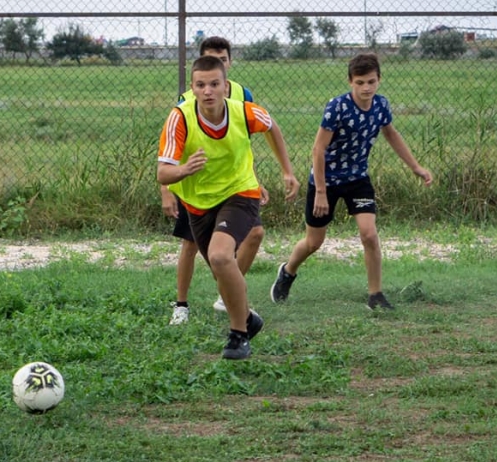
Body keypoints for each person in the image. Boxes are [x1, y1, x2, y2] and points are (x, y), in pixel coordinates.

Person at [157, 55, 300, 359]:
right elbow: (163, 173)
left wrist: (287, 170)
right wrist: (184, 170)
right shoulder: (179, 118)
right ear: (192, 89)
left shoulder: (244, 112)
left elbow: (272, 127)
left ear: (226, 86)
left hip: (240, 192)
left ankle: (238, 335)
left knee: (221, 256)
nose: (207, 90)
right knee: (221, 273)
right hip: (198, 204)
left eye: (214, 84)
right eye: (200, 85)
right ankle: (249, 319)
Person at [270, 52, 433, 310]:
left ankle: (375, 295)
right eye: (360, 82)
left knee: (369, 234)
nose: (366, 88)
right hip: (326, 180)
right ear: (350, 82)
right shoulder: (337, 107)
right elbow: (318, 150)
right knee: (314, 242)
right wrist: (321, 192)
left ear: (379, 79)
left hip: (357, 178)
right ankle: (288, 272)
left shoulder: (381, 106)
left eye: (371, 81)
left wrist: (416, 167)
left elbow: (391, 134)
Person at [162, 36, 266, 325]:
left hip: (234, 184)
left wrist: (254, 179)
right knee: (190, 243)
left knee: (255, 235)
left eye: (221, 60)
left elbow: (241, 142)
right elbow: (170, 151)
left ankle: (229, 295)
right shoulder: (187, 102)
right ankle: (181, 304)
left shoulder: (243, 95)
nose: (208, 87)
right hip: (197, 186)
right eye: (211, 59)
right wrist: (166, 189)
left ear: (228, 64)